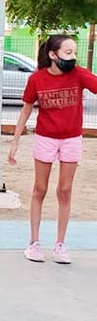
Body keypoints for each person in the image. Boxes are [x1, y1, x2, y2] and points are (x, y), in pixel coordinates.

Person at [8, 34, 97, 264]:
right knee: (40, 189)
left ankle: (60, 244)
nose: (73, 57)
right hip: (45, 138)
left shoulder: (78, 74)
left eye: (75, 52)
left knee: (65, 190)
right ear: (53, 55)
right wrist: (15, 141)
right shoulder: (37, 79)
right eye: (68, 53)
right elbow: (26, 110)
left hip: (71, 139)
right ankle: (34, 243)